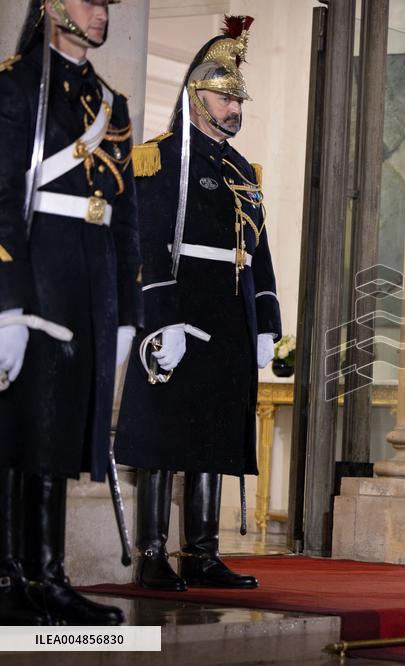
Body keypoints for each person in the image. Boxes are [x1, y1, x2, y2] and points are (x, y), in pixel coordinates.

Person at [115, 15, 281, 592]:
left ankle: (203, 553)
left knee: (214, 438)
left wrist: (267, 321)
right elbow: (147, 244)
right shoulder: (160, 159)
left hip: (231, 320)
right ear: (195, 96)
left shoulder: (241, 170)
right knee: (163, 438)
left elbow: (258, 252)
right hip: (180, 314)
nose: (235, 109)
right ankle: (153, 554)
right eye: (223, 97)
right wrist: (163, 321)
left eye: (239, 99)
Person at [0, 0, 140, 625]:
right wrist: (5, 305)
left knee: (57, 433)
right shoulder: (14, 83)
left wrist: (127, 314)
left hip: (92, 282)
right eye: (89, 0)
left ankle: (46, 577)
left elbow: (127, 218)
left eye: (107, 3)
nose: (101, 12)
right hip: (36, 273)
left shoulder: (113, 103)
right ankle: (12, 577)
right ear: (53, 6)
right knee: (19, 428)